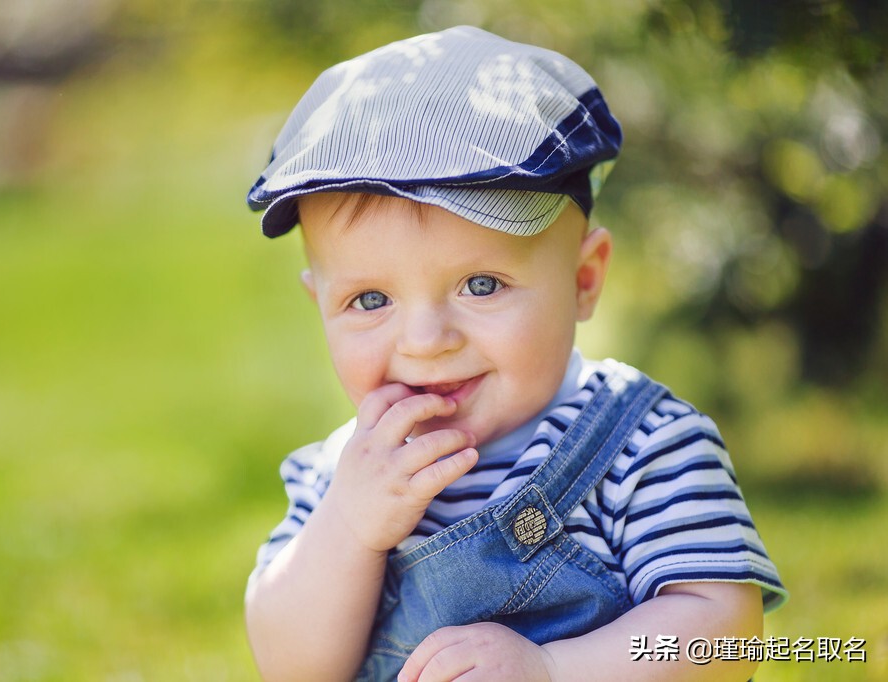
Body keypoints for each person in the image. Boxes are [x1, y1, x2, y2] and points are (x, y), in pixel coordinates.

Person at [243, 25, 787, 682]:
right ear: (318, 303)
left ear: (583, 280)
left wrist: (553, 669)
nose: (423, 341)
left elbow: (722, 633)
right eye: (368, 300)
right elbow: (292, 666)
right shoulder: (339, 476)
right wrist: (348, 531)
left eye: (480, 285)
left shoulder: (641, 444)